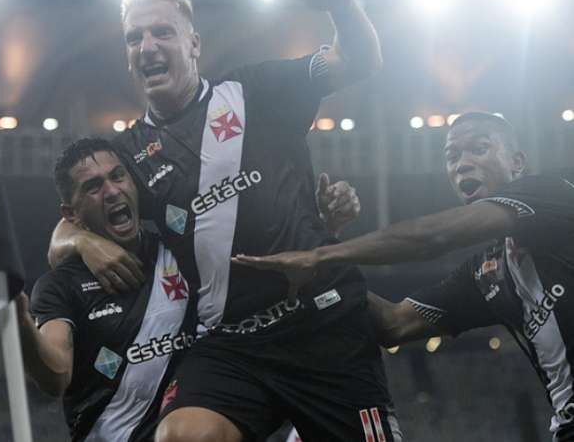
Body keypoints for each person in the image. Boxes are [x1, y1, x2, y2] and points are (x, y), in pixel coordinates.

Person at [48, 0, 402, 441]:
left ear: (193, 44)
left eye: (162, 33)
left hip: (321, 324)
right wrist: (85, 244)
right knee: (181, 437)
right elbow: (68, 225)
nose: (147, 47)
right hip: (233, 343)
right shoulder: (129, 154)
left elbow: (361, 60)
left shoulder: (259, 89)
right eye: (135, 39)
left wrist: (342, 2)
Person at [234, 112, 574, 441]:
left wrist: (319, 255)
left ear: (517, 162)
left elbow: (433, 237)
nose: (462, 164)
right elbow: (393, 324)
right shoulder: (489, 272)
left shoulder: (552, 195)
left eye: (479, 149)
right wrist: (323, 243)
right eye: (452, 156)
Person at [20, 138, 361, 441]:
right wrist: (20, 321)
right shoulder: (59, 285)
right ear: (71, 213)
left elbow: (275, 279)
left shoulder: (185, 250)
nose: (111, 191)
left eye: (118, 176)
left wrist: (322, 231)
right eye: (93, 186)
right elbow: (55, 375)